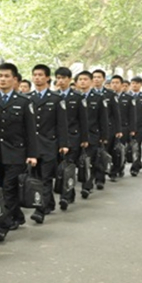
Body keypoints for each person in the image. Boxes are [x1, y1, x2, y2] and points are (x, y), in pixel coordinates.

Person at [0, 62, 38, 242]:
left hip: (16, 153)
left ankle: (2, 227)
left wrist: (32, 154)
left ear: (15, 80)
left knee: (9, 190)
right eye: (0, 76)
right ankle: (16, 215)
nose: (2, 79)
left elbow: (30, 131)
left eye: (6, 76)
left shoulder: (24, 102)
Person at [29, 64, 68, 222]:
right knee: (35, 177)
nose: (37, 78)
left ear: (47, 78)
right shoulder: (28, 98)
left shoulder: (56, 99)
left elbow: (62, 124)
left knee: (45, 178)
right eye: (35, 75)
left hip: (49, 143)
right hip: (32, 145)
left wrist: (63, 144)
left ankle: (40, 209)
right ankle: (49, 202)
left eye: (40, 75)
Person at [53, 67, 89, 210]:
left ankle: (65, 196)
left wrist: (84, 138)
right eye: (58, 78)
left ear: (69, 79)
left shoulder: (78, 97)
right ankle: (70, 190)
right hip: (55, 138)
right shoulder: (53, 97)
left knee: (68, 166)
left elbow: (83, 120)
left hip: (73, 136)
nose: (60, 81)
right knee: (59, 167)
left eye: (63, 78)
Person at [74, 71, 108, 197]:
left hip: (92, 134)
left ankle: (87, 185)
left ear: (91, 81)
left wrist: (104, 136)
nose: (83, 81)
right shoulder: (72, 97)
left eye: (85, 79)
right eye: (80, 79)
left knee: (89, 161)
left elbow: (103, 119)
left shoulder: (98, 98)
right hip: (75, 135)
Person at [92, 69, 122, 183]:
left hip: (107, 128)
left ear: (104, 79)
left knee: (103, 153)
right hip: (92, 129)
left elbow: (116, 113)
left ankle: (100, 178)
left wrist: (118, 129)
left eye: (99, 77)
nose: (96, 79)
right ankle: (91, 177)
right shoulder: (87, 94)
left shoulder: (110, 94)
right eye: (94, 77)